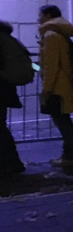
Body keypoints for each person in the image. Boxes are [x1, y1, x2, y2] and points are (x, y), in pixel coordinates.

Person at [37, 5, 73, 167]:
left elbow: (51, 65)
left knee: (62, 121)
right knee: (64, 121)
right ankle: (69, 155)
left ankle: (69, 156)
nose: (38, 18)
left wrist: (46, 88)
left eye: (40, 15)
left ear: (48, 16)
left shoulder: (51, 36)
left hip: (57, 86)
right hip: (62, 84)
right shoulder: (58, 34)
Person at [0, 21, 25, 175]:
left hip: (1, 88)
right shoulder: (10, 40)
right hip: (5, 89)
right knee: (1, 126)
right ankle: (12, 163)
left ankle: (10, 164)